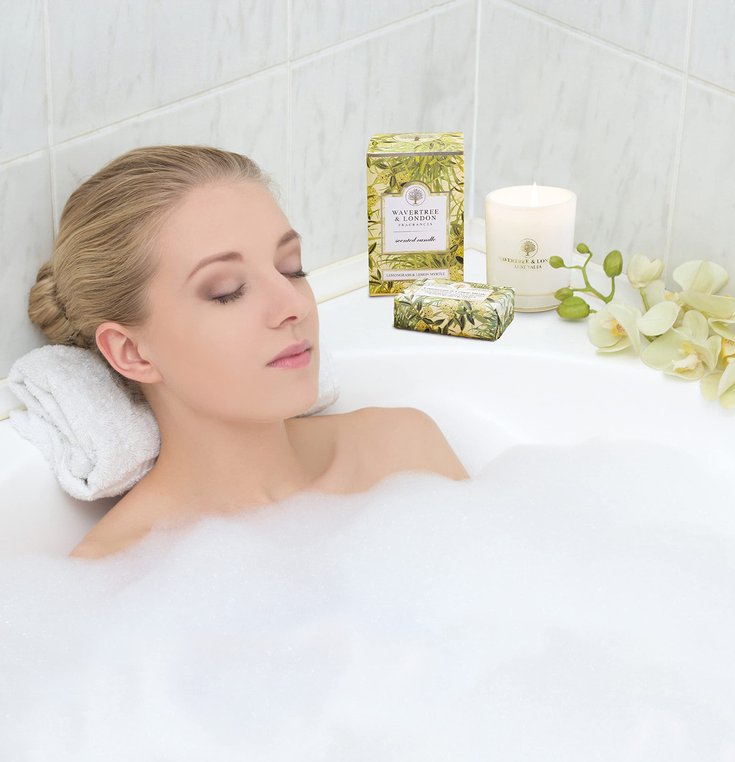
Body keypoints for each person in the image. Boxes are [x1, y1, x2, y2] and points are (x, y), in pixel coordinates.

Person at [26, 145, 469, 559]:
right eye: (227, 292)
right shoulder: (120, 572)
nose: (294, 306)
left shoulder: (404, 451)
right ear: (131, 353)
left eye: (291, 268)